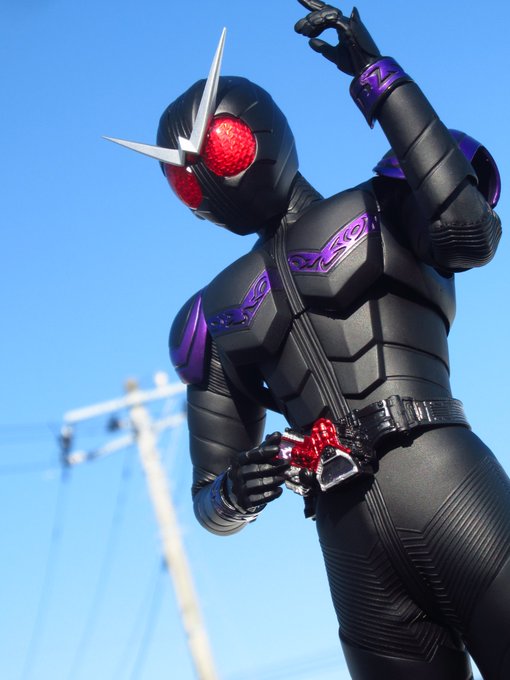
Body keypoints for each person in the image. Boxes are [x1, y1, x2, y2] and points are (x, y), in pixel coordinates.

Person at [109, 2, 508, 678]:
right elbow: (209, 494)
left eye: (220, 149)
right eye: (184, 178)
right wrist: (237, 488)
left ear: (260, 132)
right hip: (349, 541)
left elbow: (469, 232)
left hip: (444, 482)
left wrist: (379, 79)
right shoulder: (211, 313)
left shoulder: (386, 203)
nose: (206, 180)